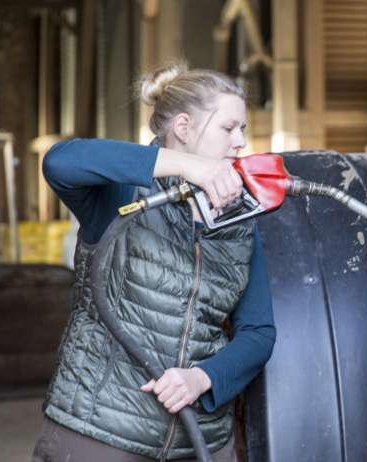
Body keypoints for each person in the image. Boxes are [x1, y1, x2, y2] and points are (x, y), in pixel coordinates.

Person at [31, 63, 276, 462]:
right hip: (101, 434)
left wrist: (203, 378)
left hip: (199, 442)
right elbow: (60, 162)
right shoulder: (122, 193)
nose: (240, 142)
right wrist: (186, 167)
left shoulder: (239, 222)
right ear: (183, 126)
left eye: (243, 130)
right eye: (229, 128)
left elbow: (259, 332)